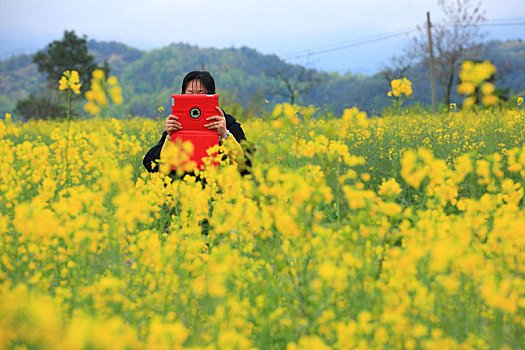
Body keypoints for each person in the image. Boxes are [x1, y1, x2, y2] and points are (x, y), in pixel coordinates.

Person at [143, 71, 251, 177]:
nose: (195, 98)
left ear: (212, 96)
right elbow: (152, 164)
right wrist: (170, 137)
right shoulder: (177, 123)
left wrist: (224, 135)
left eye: (201, 93)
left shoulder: (227, 122)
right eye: (190, 93)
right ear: (182, 95)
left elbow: (245, 166)